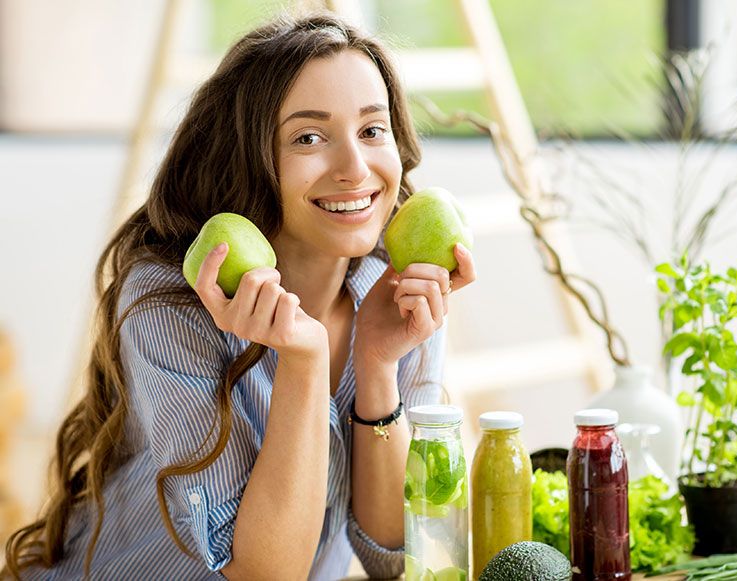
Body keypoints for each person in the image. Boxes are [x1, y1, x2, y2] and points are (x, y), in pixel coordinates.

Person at [3, 12, 475, 580]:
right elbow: (264, 574)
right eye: (309, 137)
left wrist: (377, 364)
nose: (356, 169)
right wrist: (304, 358)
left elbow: (392, 556)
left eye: (373, 130)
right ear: (250, 158)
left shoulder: (400, 284)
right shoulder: (171, 300)